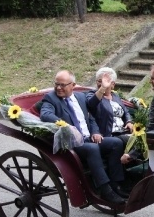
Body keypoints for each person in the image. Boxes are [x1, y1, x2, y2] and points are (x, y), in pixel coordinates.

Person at [39, 70, 128, 204]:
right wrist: (64, 125)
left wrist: (95, 132)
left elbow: (90, 118)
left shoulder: (80, 97)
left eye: (62, 85)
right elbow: (45, 114)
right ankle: (105, 190)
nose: (58, 88)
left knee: (116, 143)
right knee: (92, 149)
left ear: (73, 85)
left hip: (88, 138)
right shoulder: (51, 98)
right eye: (56, 84)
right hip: (71, 142)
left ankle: (116, 184)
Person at [86, 67, 137, 169]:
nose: (101, 83)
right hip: (109, 134)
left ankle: (131, 161)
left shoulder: (115, 96)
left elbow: (125, 111)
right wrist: (102, 88)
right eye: (99, 81)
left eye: (105, 81)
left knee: (144, 138)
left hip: (123, 131)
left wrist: (129, 121)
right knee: (133, 140)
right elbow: (91, 104)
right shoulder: (91, 95)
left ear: (113, 84)